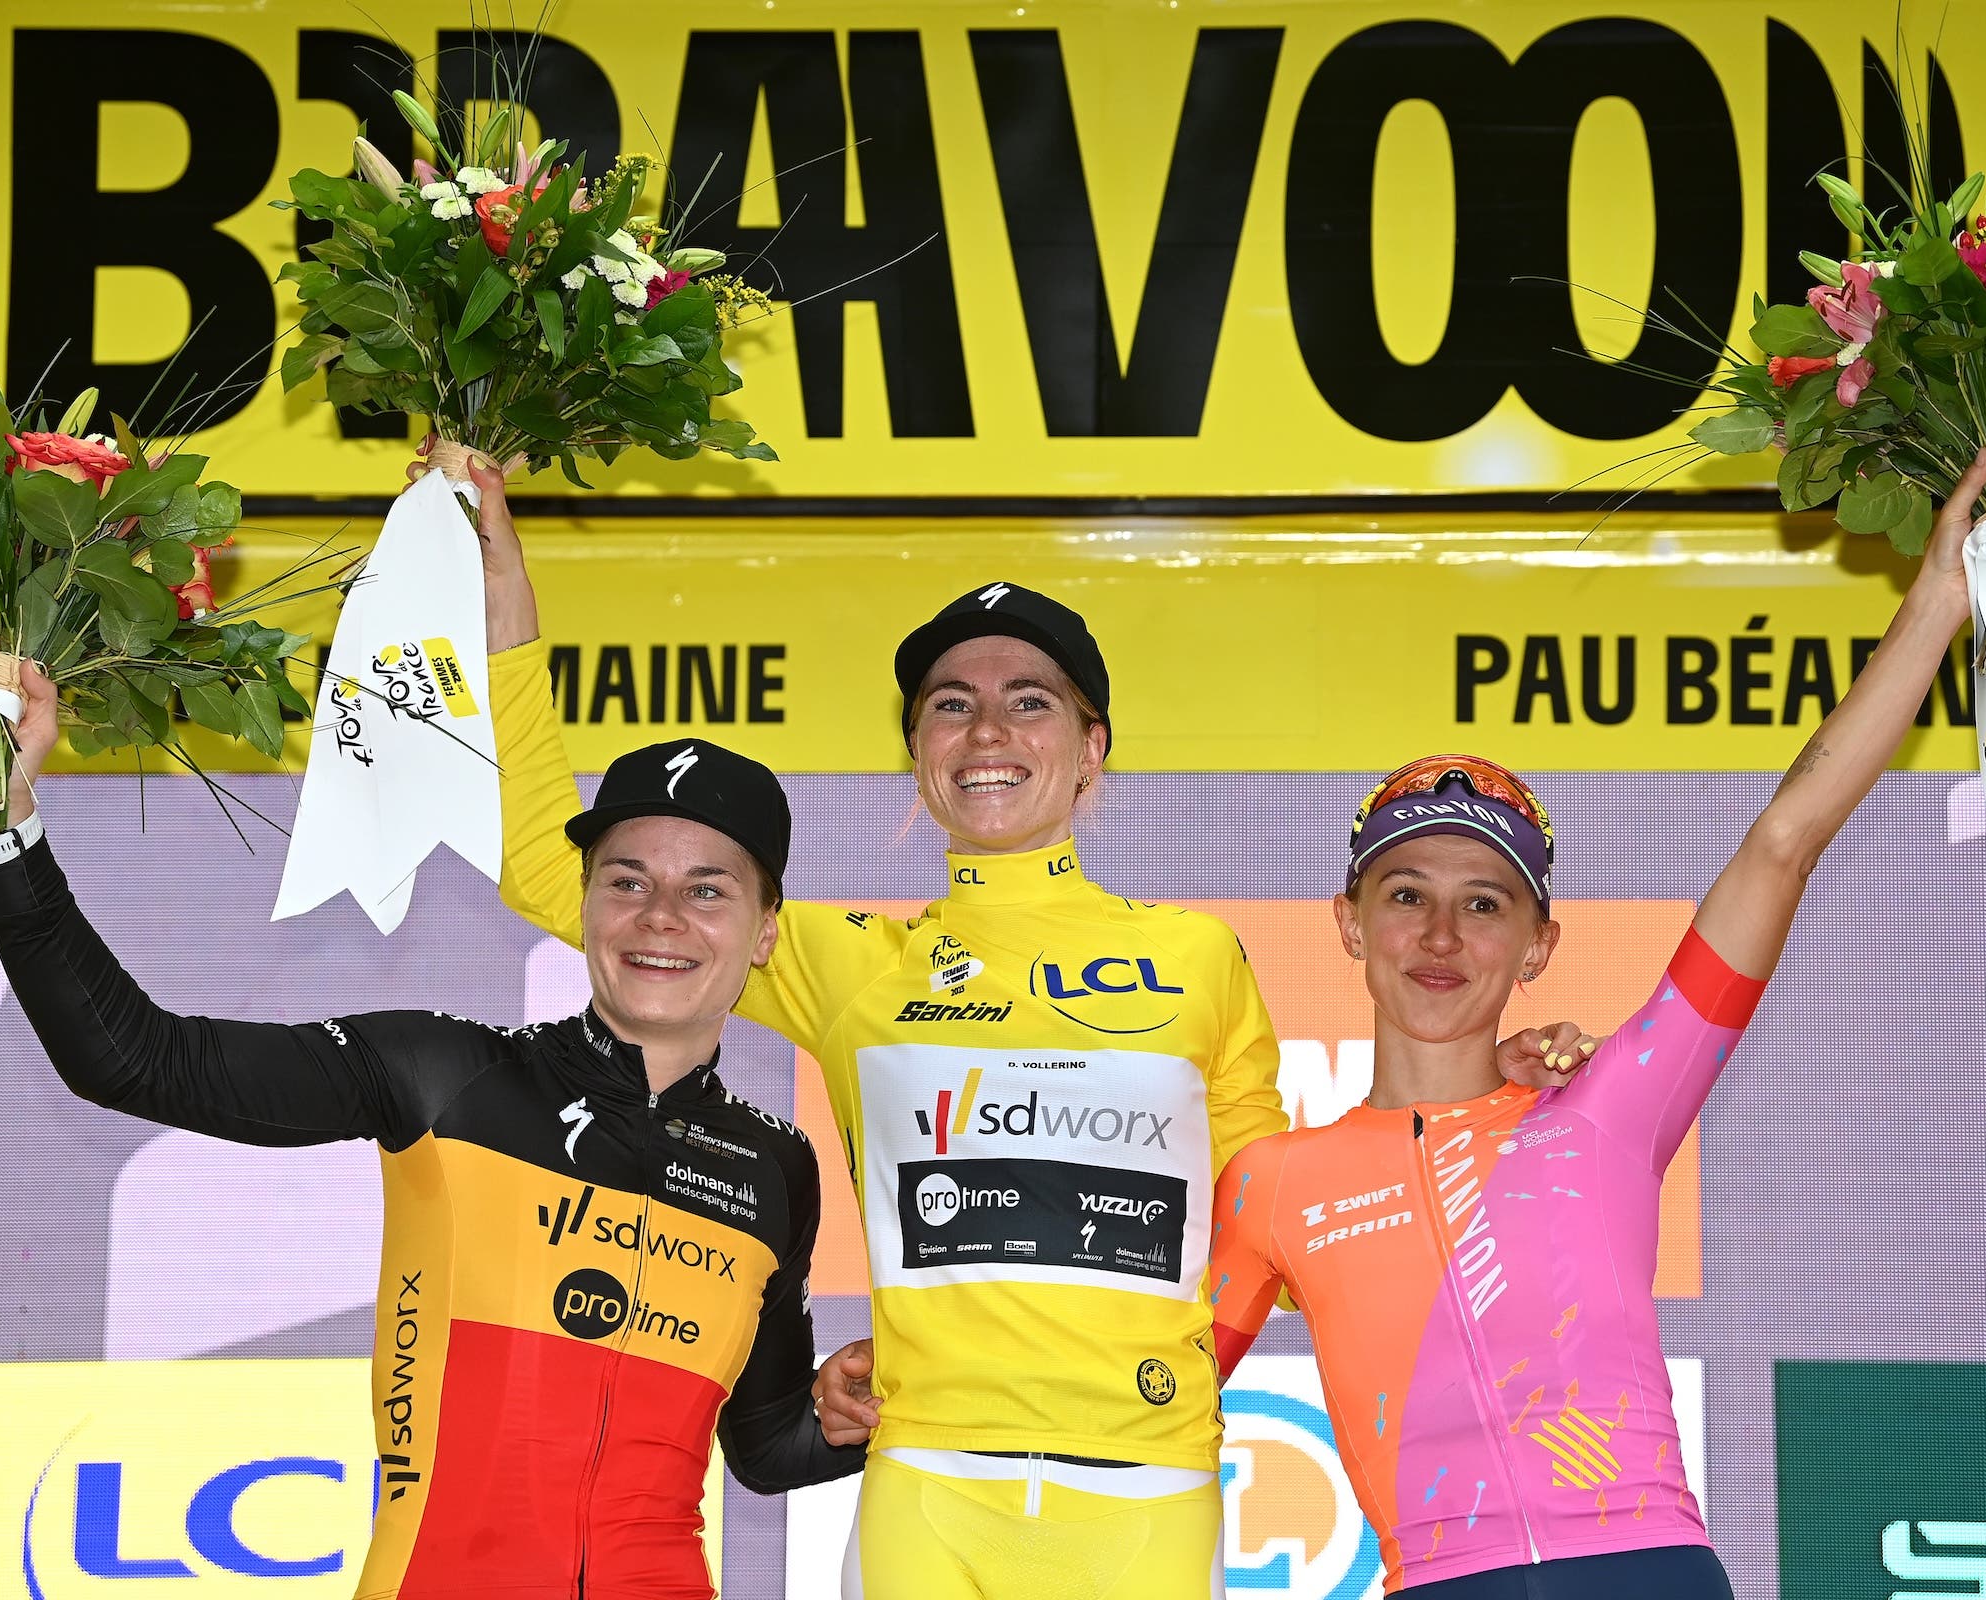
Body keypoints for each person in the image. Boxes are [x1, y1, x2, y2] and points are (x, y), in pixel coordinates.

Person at [461, 456, 1590, 1598]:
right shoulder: (846, 959)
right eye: (951, 703)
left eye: (1028, 699)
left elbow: (1278, 1218)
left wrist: (1464, 1085)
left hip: (1148, 1489)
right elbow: (549, 867)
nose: (986, 726)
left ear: (1092, 748)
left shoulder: (1197, 958)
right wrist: (499, 576)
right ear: (917, 754)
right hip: (926, 1485)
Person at [1203, 452, 1986, 1598]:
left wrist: (1941, 596)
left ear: (1539, 946)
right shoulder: (1272, 1182)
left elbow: (1783, 842)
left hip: (1645, 1566)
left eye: (1484, 902)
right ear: (1348, 925)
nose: (1441, 933)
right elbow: (1151, 1398)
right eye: (1406, 895)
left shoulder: (1608, 1104)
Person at [0, 655, 863, 1599]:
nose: (661, 918)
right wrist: (4, 818)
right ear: (584, 904)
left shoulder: (774, 1166)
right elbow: (136, 1059)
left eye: (707, 890)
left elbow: (769, 1448)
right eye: (626, 881)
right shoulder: (445, 1074)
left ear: (766, 929)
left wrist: (883, 1400)